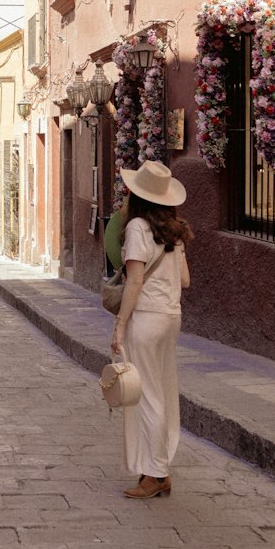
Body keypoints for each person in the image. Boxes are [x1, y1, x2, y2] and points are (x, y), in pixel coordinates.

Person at [109, 160, 192, 500]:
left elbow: (135, 282)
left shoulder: (137, 229)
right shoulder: (174, 230)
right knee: (162, 392)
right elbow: (185, 280)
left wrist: (119, 324)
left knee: (147, 397)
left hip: (145, 318)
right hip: (171, 316)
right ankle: (157, 469)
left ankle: (156, 474)